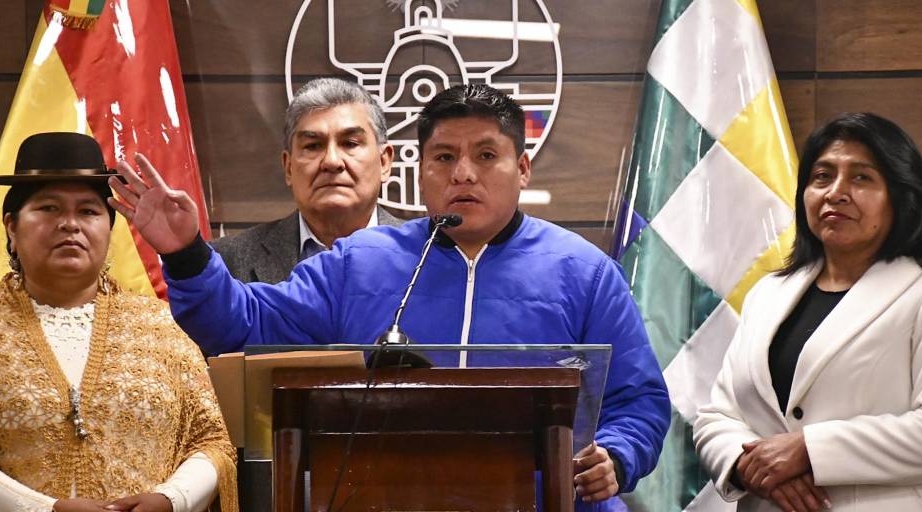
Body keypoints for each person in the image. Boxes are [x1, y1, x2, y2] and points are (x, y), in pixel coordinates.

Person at [109, 84, 671, 508]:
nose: (463, 174)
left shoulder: (585, 271)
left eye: (486, 155)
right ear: (420, 173)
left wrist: (616, 456)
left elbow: (639, 401)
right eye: (444, 157)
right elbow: (242, 324)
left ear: (521, 169)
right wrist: (186, 253)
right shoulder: (362, 260)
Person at [693, 112, 922, 512]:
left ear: (901, 195)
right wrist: (747, 465)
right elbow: (717, 416)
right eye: (822, 177)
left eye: (861, 178)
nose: (836, 192)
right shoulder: (768, 293)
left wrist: (808, 450)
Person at [0, 132, 237, 512]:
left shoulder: (161, 327)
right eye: (49, 208)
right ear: (11, 227)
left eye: (88, 211)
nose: (70, 224)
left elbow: (211, 442)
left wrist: (171, 500)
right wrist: (45, 509)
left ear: (109, 228)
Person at [211, 77, 403, 283]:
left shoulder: (425, 254)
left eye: (350, 143)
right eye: (313, 146)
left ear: (384, 162)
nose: (332, 161)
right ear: (288, 167)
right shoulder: (224, 263)